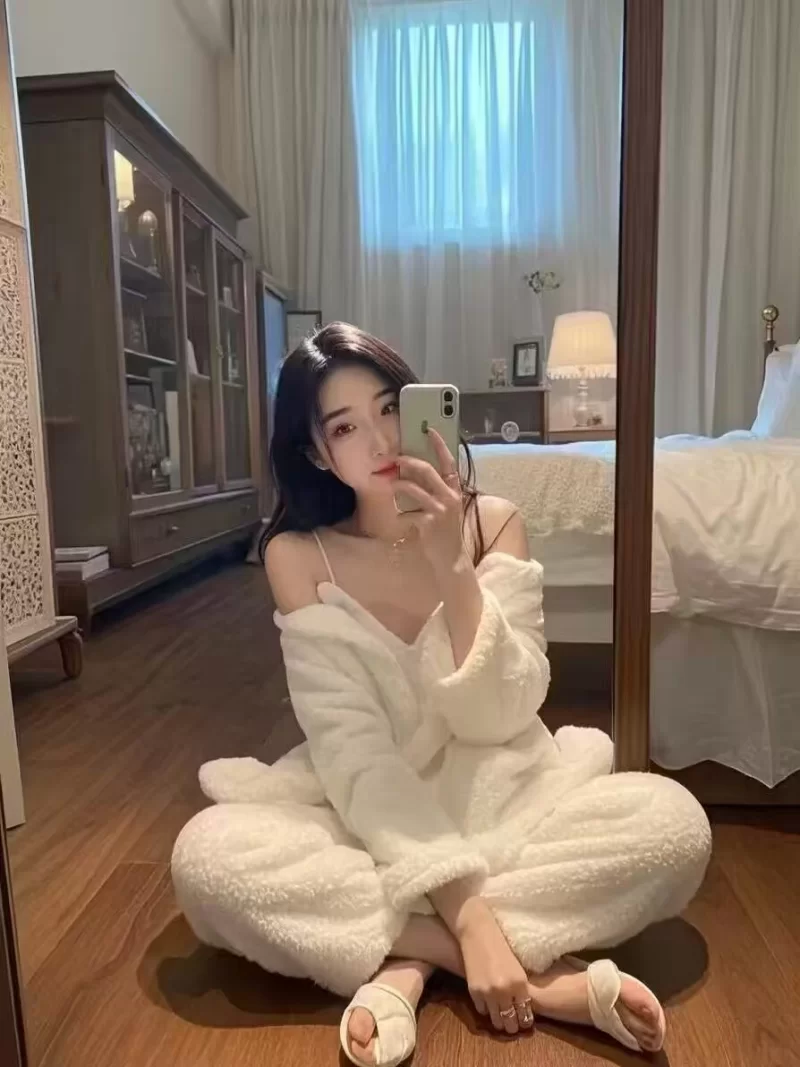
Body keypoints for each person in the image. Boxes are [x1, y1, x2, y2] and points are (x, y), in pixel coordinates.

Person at [171, 323, 712, 1067]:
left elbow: (503, 715)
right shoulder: (299, 556)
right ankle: (508, 968)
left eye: (391, 407)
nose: (381, 439)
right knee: (207, 861)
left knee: (674, 827)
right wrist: (470, 920)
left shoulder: (495, 523)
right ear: (316, 452)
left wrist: (453, 565)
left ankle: (404, 959)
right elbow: (354, 753)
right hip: (371, 813)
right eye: (345, 427)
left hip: (504, 793)